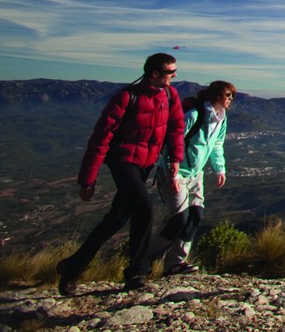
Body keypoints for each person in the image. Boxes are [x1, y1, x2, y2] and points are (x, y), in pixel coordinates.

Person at [56, 53, 185, 295]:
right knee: (145, 208)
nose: (175, 75)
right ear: (155, 74)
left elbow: (176, 128)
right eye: (170, 72)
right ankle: (137, 272)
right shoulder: (127, 97)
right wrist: (88, 180)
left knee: (116, 218)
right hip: (123, 161)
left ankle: (72, 267)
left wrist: (175, 160)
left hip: (146, 163)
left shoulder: (170, 95)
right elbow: (100, 138)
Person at [151, 80, 235, 276]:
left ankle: (176, 263)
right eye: (228, 95)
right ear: (216, 96)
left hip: (196, 175)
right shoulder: (194, 116)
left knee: (195, 216)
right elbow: (174, 142)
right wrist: (175, 171)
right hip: (176, 174)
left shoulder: (221, 118)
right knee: (179, 219)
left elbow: (217, 145)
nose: (231, 100)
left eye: (232, 96)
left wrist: (220, 169)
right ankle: (147, 258)